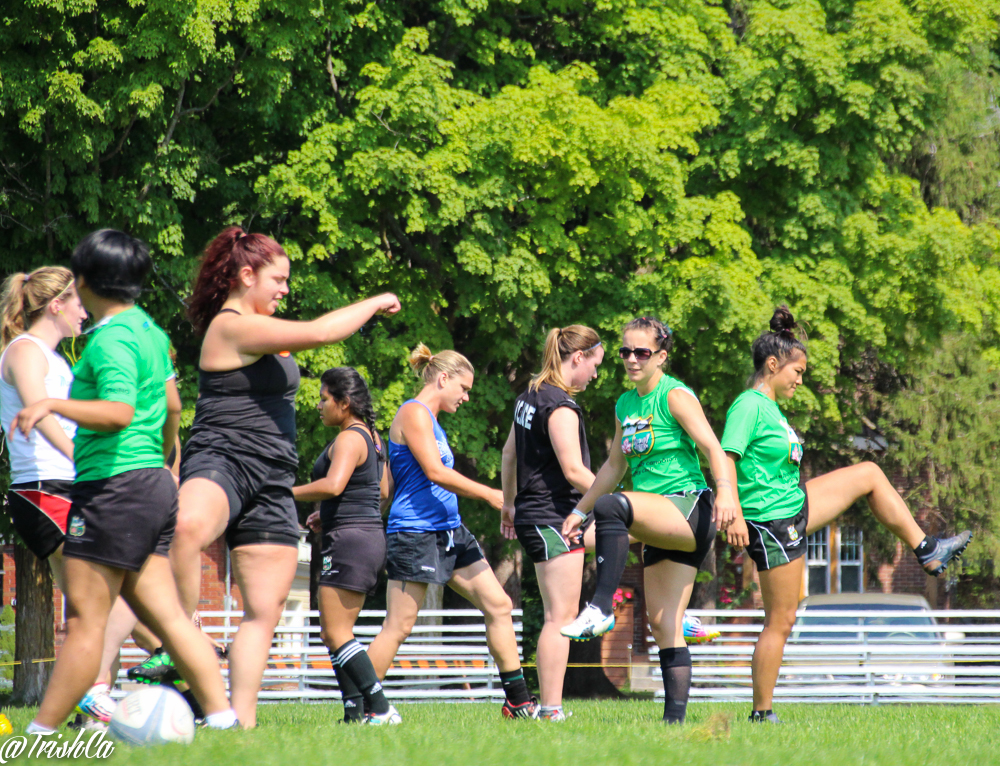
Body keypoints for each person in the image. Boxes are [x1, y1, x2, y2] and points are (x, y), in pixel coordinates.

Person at [155, 226, 400, 728]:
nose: (286, 289)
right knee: (185, 530)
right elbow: (320, 333)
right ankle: (180, 637)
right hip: (223, 458)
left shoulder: (264, 326)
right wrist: (375, 301)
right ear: (247, 276)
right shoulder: (231, 325)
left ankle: (237, 725)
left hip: (273, 475)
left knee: (263, 614)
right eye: (279, 279)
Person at [11, 229, 236, 733]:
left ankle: (39, 735)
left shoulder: (109, 338)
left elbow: (116, 412)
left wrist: (52, 403)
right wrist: (159, 461)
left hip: (112, 487)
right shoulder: (150, 332)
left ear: (85, 279)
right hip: (150, 484)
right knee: (169, 619)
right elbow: (173, 406)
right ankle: (224, 723)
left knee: (84, 622)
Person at [719, 306, 972, 724]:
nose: (800, 380)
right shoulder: (748, 406)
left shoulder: (772, 409)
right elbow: (726, 457)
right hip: (771, 521)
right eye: (796, 371)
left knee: (868, 474)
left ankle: (927, 549)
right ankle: (761, 713)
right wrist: (733, 513)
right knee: (780, 620)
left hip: (793, 504)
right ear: (772, 365)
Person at [0, 266, 164, 728]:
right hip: (45, 492)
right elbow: (39, 410)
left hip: (69, 487)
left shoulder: (60, 360)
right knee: (104, 600)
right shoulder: (25, 351)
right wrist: (80, 455)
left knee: (96, 605)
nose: (84, 313)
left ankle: (93, 711)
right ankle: (118, 680)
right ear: (56, 305)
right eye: (77, 304)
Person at [560, 316, 740, 725]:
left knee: (614, 508)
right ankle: (673, 725)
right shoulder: (625, 404)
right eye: (625, 351)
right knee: (663, 626)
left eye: (642, 352)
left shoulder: (674, 395)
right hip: (653, 517)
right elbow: (611, 467)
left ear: (661, 355)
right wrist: (577, 510)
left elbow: (713, 447)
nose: (632, 359)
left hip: (688, 508)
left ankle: (601, 608)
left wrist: (727, 491)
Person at [365, 344, 539, 719]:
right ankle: (363, 706)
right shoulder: (413, 413)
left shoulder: (433, 422)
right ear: (442, 378)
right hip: (415, 533)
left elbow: (396, 483)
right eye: (463, 388)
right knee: (398, 626)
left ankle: (519, 702)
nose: (466, 397)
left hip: (450, 532)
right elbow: (435, 472)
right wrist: (492, 494)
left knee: (499, 605)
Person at [499, 325, 604, 721]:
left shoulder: (529, 396)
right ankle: (550, 708)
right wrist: (615, 497)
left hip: (538, 515)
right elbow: (575, 471)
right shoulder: (559, 406)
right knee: (560, 617)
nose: (595, 375)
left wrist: (509, 504)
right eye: (594, 365)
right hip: (553, 518)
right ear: (577, 357)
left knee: (628, 533)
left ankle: (612, 604)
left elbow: (509, 453)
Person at [294, 367, 397, 725]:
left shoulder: (349, 438)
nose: (319, 406)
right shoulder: (372, 436)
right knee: (334, 632)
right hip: (365, 537)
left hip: (350, 542)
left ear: (344, 402)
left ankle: (380, 708)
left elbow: (334, 484)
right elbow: (382, 491)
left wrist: (281, 492)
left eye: (324, 399)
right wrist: (330, 513)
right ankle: (354, 713)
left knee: (337, 632)